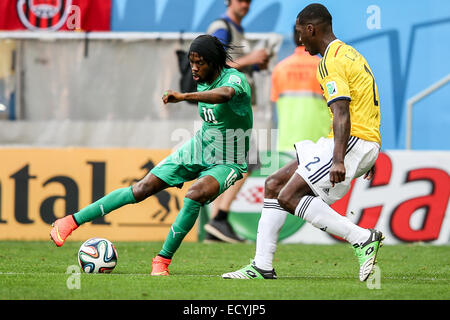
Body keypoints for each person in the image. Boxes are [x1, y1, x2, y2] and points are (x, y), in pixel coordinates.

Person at [50, 34, 253, 276]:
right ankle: (70, 222)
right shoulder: (202, 79)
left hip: (230, 160)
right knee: (142, 188)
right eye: (191, 62)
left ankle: (161, 261)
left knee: (195, 194)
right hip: (199, 147)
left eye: (200, 63)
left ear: (215, 62)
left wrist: (183, 96)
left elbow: (225, 95)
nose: (195, 68)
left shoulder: (235, 80)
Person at [222, 3, 384, 282]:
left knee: (289, 196)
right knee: (274, 184)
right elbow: (366, 100)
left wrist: (342, 158)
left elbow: (342, 110)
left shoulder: (329, 62)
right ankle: (262, 265)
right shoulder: (350, 53)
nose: (299, 39)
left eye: (300, 33)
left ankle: (361, 237)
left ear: (311, 29)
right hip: (357, 140)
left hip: (350, 142)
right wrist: (368, 149)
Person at [204, 0, 268, 243]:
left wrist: (252, 63)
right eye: (240, 0)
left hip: (230, 108)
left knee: (231, 164)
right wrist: (250, 58)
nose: (246, 5)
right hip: (227, 107)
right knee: (248, 161)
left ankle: (215, 224)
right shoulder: (222, 27)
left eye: (249, 1)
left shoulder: (233, 29)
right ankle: (219, 218)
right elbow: (213, 67)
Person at [271, 25, 330, 152]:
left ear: (294, 37)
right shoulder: (323, 67)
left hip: (287, 145)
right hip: (319, 145)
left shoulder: (280, 69)